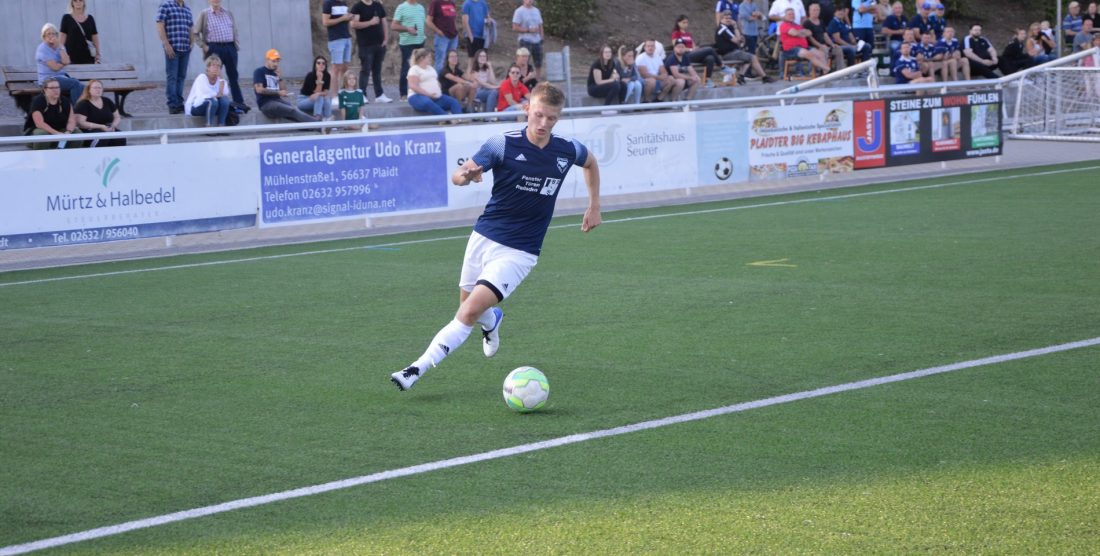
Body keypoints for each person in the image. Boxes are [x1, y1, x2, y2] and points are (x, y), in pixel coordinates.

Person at [390, 82, 601, 392]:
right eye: (539, 115)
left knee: (468, 310)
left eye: (551, 119)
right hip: (484, 238)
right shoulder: (502, 144)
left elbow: (591, 163)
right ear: (527, 109)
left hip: (521, 251)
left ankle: (415, 368)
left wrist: (594, 206)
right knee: (471, 309)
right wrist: (466, 175)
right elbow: (460, 175)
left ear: (559, 118)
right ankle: (493, 321)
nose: (543, 124)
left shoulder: (566, 150)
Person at [193, 0, 244, 106]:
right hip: (214, 48)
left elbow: (235, 30)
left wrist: (235, 46)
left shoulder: (228, 13)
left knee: (233, 76)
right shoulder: (205, 14)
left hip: (230, 47)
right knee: (214, 75)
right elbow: (195, 33)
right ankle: (216, 101)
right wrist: (204, 46)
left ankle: (239, 102)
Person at [253, 49, 317, 123]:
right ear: (267, 60)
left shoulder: (275, 72)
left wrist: (280, 78)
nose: (276, 64)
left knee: (294, 109)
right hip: (266, 104)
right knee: (292, 110)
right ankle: (319, 124)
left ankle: (311, 127)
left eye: (277, 61)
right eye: (273, 61)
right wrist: (278, 93)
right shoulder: (259, 71)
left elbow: (283, 90)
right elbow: (259, 90)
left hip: (277, 101)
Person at [350, 0, 394, 103]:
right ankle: (362, 94)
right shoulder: (357, 6)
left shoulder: (378, 5)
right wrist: (370, 22)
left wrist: (386, 38)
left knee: (377, 71)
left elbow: (384, 22)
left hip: (379, 44)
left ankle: (379, 95)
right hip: (365, 45)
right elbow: (353, 24)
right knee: (365, 70)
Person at [156, 0, 194, 114]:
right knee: (172, 77)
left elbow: (191, 27)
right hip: (172, 48)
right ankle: (172, 104)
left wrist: (192, 42)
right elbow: (160, 24)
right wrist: (166, 44)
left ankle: (179, 103)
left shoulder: (187, 9)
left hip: (185, 48)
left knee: (181, 77)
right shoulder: (166, 5)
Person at [23, 77, 82, 150]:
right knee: (42, 134)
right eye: (52, 88)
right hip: (38, 131)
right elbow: (39, 123)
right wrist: (57, 134)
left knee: (78, 133)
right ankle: (40, 157)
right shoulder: (38, 101)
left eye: (57, 87)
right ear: (45, 89)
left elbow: (71, 120)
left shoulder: (65, 101)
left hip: (60, 130)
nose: (56, 90)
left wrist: (68, 132)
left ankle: (69, 155)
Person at [715, 10, 773, 81]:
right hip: (728, 54)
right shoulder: (723, 28)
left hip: (733, 52)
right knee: (752, 57)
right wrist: (735, 27)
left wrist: (737, 32)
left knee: (748, 58)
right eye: (726, 18)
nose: (728, 20)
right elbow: (737, 41)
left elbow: (739, 40)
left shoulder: (727, 28)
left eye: (730, 18)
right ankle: (764, 77)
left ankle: (741, 77)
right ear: (721, 19)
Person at [36, 23, 84, 104]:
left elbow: (67, 61)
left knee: (84, 87)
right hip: (48, 80)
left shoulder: (59, 46)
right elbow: (55, 67)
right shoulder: (42, 49)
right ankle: (76, 111)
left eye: (53, 33)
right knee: (75, 84)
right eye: (48, 34)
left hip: (61, 77)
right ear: (44, 36)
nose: (51, 36)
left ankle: (76, 110)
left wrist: (60, 46)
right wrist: (63, 63)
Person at [407, 48, 463, 116]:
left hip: (436, 98)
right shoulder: (414, 69)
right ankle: (446, 117)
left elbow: (435, 80)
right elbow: (413, 86)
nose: (431, 59)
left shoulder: (430, 68)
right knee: (427, 102)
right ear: (422, 58)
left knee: (453, 102)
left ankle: (459, 118)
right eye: (429, 57)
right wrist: (428, 94)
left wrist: (438, 87)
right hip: (417, 97)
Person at [779, 8, 831, 75]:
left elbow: (809, 33)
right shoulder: (784, 25)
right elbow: (795, 33)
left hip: (804, 47)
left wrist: (799, 32)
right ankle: (828, 69)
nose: (792, 15)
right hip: (791, 49)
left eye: (793, 14)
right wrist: (801, 33)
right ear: (785, 16)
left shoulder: (797, 25)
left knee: (820, 54)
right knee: (809, 54)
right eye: (789, 14)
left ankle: (825, 73)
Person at [392, 0, 426, 101]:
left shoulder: (421, 8)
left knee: (420, 69)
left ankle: (419, 92)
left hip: (420, 42)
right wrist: (407, 29)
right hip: (407, 43)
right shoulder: (401, 7)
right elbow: (393, 25)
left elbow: (422, 24)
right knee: (407, 68)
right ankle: (403, 94)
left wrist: (423, 36)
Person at [670, 15, 721, 83]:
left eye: (687, 22)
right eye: (683, 22)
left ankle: (707, 80)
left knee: (710, 58)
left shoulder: (688, 34)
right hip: (685, 56)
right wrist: (691, 50)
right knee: (710, 49)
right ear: (678, 23)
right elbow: (676, 47)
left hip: (693, 54)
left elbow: (693, 45)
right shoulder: (676, 33)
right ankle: (722, 66)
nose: (686, 24)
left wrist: (695, 48)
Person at [74, 79, 124, 146]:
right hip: (90, 132)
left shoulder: (107, 101)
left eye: (100, 88)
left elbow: (117, 116)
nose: (98, 90)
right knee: (102, 137)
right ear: (89, 90)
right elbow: (80, 123)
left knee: (120, 137)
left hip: (107, 129)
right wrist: (101, 126)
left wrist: (113, 125)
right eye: (95, 88)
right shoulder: (83, 104)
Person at [185, 53, 230, 126]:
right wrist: (219, 94)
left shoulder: (220, 79)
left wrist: (221, 79)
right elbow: (208, 95)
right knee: (212, 101)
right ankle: (209, 126)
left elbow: (224, 93)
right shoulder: (201, 78)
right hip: (197, 107)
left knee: (225, 100)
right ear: (208, 67)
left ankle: (221, 125)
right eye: (213, 65)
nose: (216, 68)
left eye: (218, 66)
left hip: (214, 107)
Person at [322, 0, 354, 101]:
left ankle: (342, 92)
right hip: (336, 39)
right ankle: (335, 96)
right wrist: (343, 18)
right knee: (336, 68)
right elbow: (325, 22)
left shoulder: (343, 2)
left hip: (346, 37)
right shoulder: (328, 3)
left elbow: (344, 20)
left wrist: (348, 18)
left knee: (345, 67)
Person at [59, 0, 100, 65]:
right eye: (75, 0)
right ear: (72, 3)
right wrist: (62, 55)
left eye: (80, 0)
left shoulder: (90, 19)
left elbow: (95, 39)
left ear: (84, 2)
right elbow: (61, 40)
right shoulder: (66, 18)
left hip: (88, 57)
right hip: (71, 58)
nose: (78, 2)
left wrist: (98, 54)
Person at [512, 0, 544, 76]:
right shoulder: (519, 11)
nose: (530, 0)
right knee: (523, 62)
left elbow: (540, 25)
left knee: (538, 63)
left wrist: (542, 37)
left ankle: (537, 82)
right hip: (525, 40)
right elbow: (514, 27)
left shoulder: (536, 11)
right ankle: (522, 80)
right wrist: (528, 30)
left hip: (537, 40)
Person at [427, 0, 459, 73]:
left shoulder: (452, 3)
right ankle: (438, 82)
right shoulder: (435, 2)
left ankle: (449, 82)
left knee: (452, 62)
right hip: (442, 37)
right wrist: (438, 31)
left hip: (453, 37)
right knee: (440, 61)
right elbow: (428, 21)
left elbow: (452, 20)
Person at [299, 56, 335, 120]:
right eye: (318, 63)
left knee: (326, 99)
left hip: (317, 99)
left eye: (323, 63)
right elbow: (316, 93)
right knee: (320, 97)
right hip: (304, 100)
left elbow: (325, 92)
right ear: (315, 65)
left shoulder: (327, 75)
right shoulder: (310, 75)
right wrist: (319, 79)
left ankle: (327, 120)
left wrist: (318, 94)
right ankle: (317, 118)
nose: (321, 65)